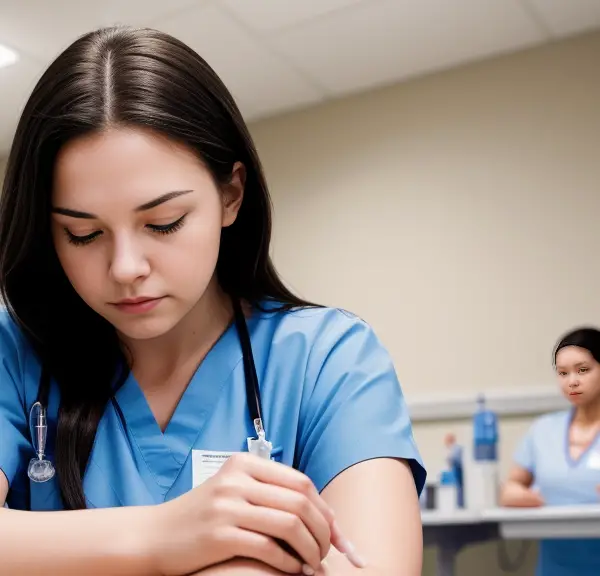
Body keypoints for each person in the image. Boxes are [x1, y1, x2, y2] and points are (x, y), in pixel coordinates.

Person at [0, 26, 426, 576]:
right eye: (83, 234)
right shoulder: (15, 353)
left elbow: (376, 569)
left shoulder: (330, 360)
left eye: (163, 222)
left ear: (231, 195)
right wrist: (165, 535)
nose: (126, 267)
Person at [500, 327, 600, 576]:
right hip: (555, 568)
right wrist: (528, 497)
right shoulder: (543, 430)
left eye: (583, 370)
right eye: (563, 373)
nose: (572, 381)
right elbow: (510, 489)